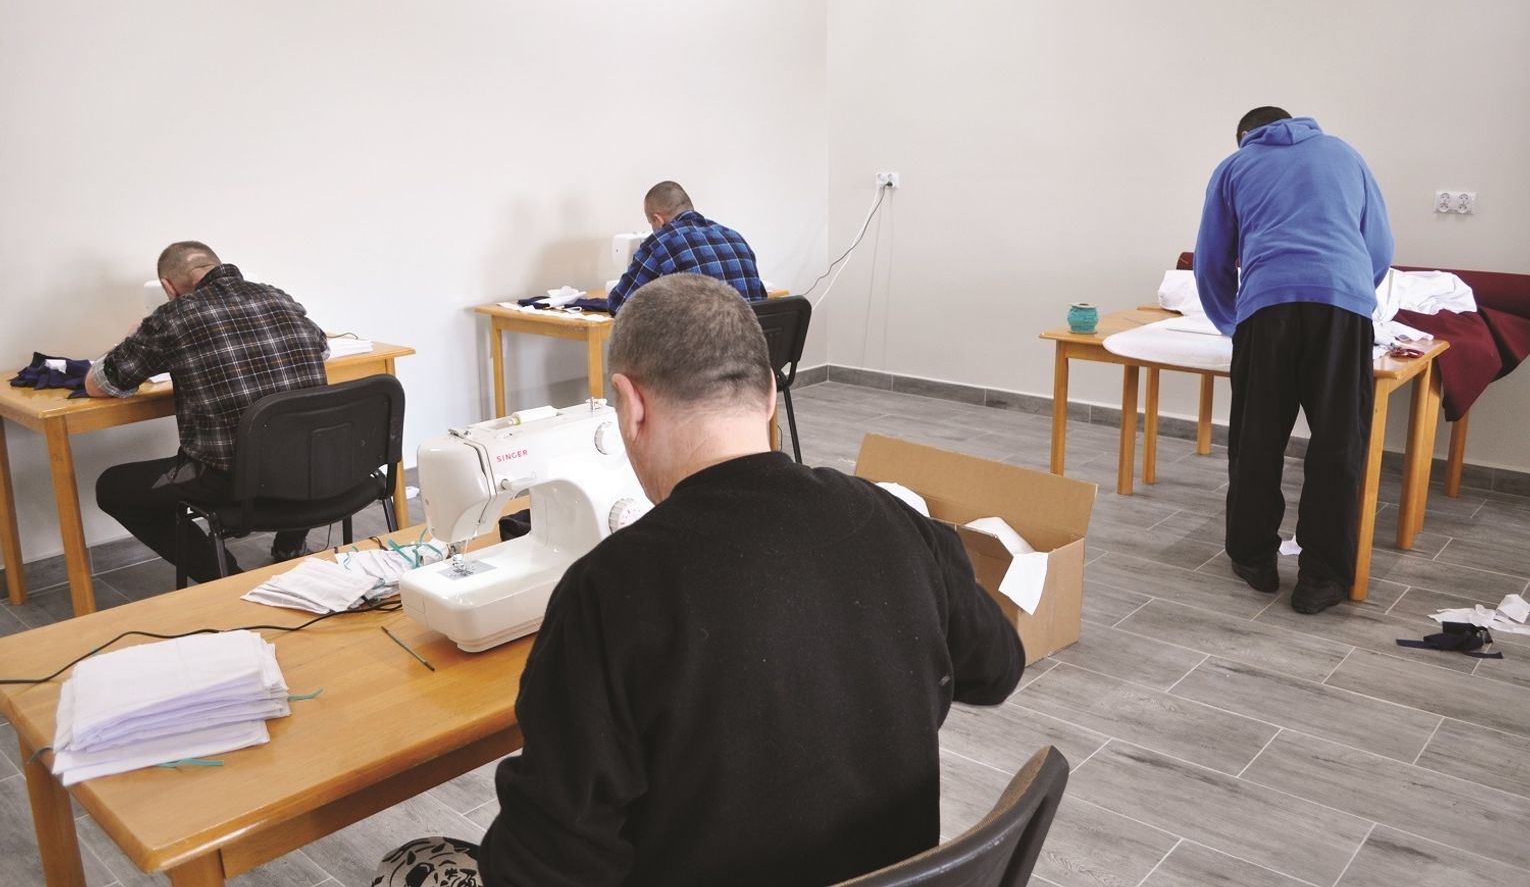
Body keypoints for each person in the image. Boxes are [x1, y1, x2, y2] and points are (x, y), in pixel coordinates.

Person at [374, 274, 1023, 887]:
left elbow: (541, 869)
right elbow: (997, 670)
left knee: (410, 862)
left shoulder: (610, 590)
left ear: (630, 406)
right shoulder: (897, 521)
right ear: (769, 394)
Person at [1194, 107, 1394, 614]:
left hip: (1268, 306)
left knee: (1256, 439)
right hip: (1342, 305)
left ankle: (1254, 560)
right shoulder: (1345, 155)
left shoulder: (1235, 166)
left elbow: (1211, 261)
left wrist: (1233, 321)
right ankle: (1322, 579)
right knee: (1338, 442)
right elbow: (1379, 247)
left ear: (1246, 135)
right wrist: (1348, 292)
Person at [88, 242, 329, 582]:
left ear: (168, 287)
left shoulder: (173, 317)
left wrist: (130, 340)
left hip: (233, 478)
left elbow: (100, 384)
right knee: (292, 435)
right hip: (318, 468)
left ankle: (225, 578)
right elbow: (323, 349)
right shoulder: (278, 297)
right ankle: (290, 546)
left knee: (114, 487)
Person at [605, 180, 766, 313]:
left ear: (658, 220)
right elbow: (761, 299)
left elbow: (620, 304)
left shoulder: (660, 243)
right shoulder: (735, 237)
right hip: (748, 342)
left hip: (701, 342)